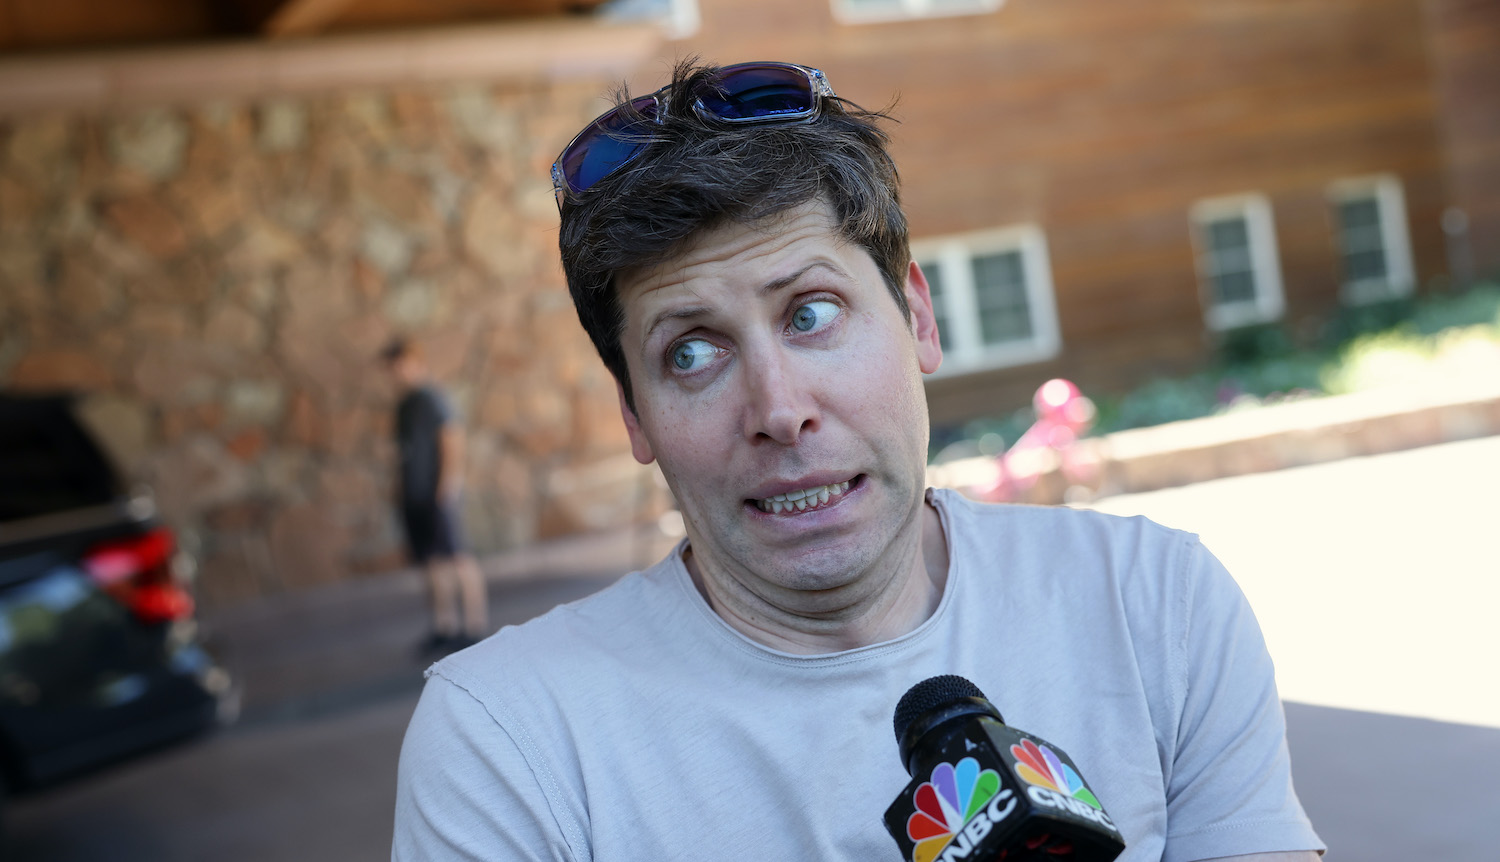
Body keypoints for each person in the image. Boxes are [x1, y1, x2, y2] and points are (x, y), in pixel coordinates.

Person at [393, 60, 1324, 861]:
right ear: (636, 415)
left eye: (811, 313)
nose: (779, 410)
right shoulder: (507, 741)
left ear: (918, 317)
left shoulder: (1156, 607)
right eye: (692, 350)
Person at [381, 337, 488, 655]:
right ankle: (445, 627)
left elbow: (451, 437)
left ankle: (474, 627)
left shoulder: (432, 398)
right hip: (413, 496)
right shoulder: (404, 404)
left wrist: (447, 485)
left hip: (437, 495)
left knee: (457, 557)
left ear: (415, 362)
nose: (395, 374)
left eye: (399, 366)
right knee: (431, 561)